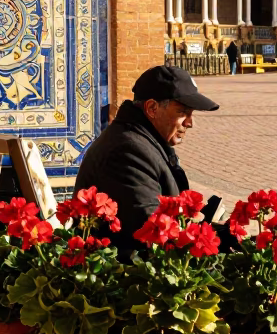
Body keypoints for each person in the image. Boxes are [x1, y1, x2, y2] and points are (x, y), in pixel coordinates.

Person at [74, 65, 219, 253]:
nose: (190, 123)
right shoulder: (127, 152)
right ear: (152, 108)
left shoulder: (144, 140)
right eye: (182, 112)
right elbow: (151, 233)